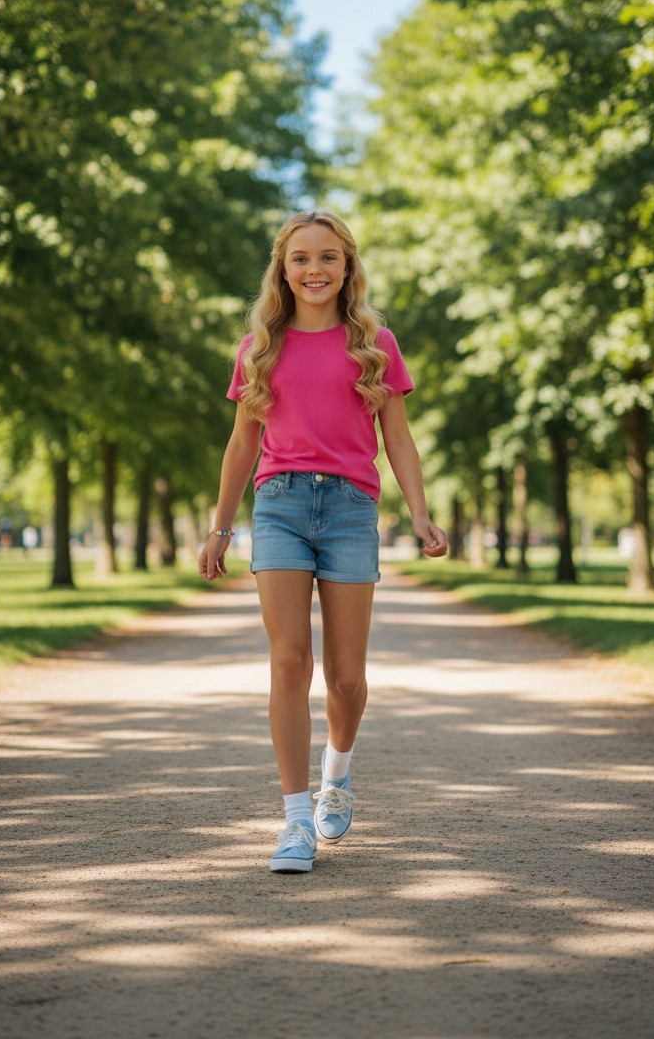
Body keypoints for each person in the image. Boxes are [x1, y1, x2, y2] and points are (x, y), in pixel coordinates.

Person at [198, 209, 447, 874]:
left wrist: (420, 515)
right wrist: (221, 528)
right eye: (302, 258)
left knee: (346, 677)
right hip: (278, 506)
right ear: (283, 268)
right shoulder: (259, 349)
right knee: (288, 663)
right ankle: (295, 821)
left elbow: (398, 438)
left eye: (328, 257)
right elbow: (242, 444)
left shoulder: (375, 343)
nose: (315, 269)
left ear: (347, 266)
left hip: (349, 510)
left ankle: (337, 772)